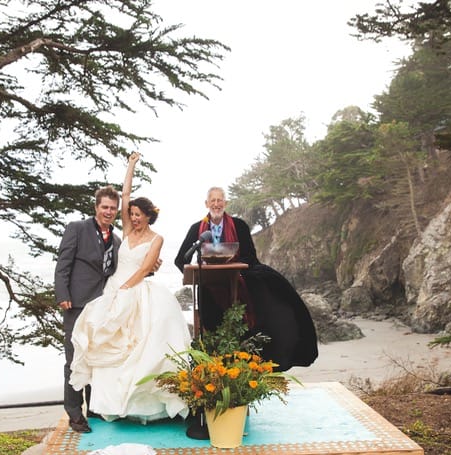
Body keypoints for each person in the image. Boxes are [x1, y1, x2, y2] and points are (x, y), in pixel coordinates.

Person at [68, 152, 192, 425]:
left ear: (148, 217)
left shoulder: (157, 239)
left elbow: (145, 268)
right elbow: (125, 196)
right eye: (132, 214)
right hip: (113, 287)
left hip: (134, 288)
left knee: (142, 344)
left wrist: (125, 288)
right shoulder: (124, 231)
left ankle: (145, 404)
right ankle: (107, 403)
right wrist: (131, 166)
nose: (133, 218)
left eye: (138, 215)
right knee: (107, 338)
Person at [175, 186, 318, 371]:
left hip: (238, 279)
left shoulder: (239, 225)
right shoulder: (197, 229)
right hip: (209, 284)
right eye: (213, 201)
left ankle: (257, 358)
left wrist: (232, 265)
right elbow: (181, 259)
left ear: (225, 203)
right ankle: (214, 364)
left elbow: (250, 255)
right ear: (206, 204)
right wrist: (196, 274)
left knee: (267, 290)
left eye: (220, 200)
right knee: (208, 312)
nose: (216, 204)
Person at [54, 183, 123, 433]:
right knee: (74, 358)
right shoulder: (77, 228)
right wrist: (62, 293)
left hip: (101, 307)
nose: (108, 211)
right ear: (96, 207)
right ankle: (74, 413)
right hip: (76, 303)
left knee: (96, 357)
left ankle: (94, 407)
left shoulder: (116, 239)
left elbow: (117, 272)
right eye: (105, 207)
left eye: (113, 208)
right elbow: (63, 263)